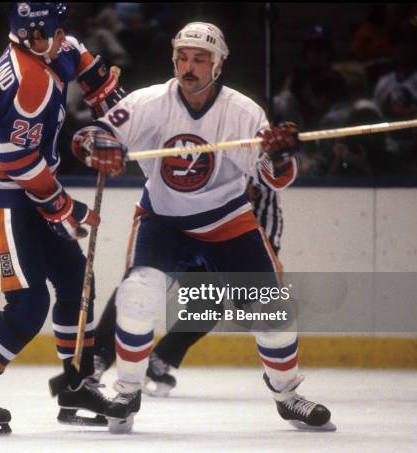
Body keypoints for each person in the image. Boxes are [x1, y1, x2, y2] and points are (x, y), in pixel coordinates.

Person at [71, 22, 334, 433]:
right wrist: (96, 144)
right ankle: (126, 393)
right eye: (182, 58)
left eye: (200, 59)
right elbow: (94, 133)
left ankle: (287, 395)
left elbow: (273, 179)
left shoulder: (244, 112)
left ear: (218, 65)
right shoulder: (148, 102)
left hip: (226, 220)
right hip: (162, 220)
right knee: (139, 297)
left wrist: (279, 158)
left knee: (271, 311)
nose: (189, 67)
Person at [0, 2, 125, 434]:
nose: (56, 40)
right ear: (27, 35)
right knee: (28, 305)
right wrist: (64, 206)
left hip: (25, 192)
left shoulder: (51, 47)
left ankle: (74, 386)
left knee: (76, 279)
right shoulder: (31, 81)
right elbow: (18, 161)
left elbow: (85, 63)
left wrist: (113, 114)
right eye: (47, 34)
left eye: (58, 32)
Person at [90, 177, 284, 398]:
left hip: (225, 240)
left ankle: (159, 360)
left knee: (209, 305)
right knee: (139, 289)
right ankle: (96, 357)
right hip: (179, 229)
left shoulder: (259, 182)